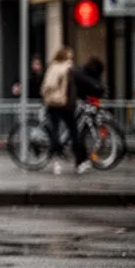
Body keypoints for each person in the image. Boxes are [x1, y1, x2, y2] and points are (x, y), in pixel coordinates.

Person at [40, 47, 90, 175]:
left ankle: (57, 160)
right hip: (65, 104)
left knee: (54, 130)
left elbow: (45, 86)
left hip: (52, 103)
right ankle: (79, 163)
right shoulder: (69, 68)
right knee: (74, 132)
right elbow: (81, 81)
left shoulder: (52, 67)